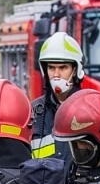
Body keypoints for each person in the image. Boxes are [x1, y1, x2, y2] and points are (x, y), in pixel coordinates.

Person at [28, 32, 84, 160]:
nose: (56, 74)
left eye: (63, 67)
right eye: (52, 68)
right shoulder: (34, 113)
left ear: (75, 70)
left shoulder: (92, 110)